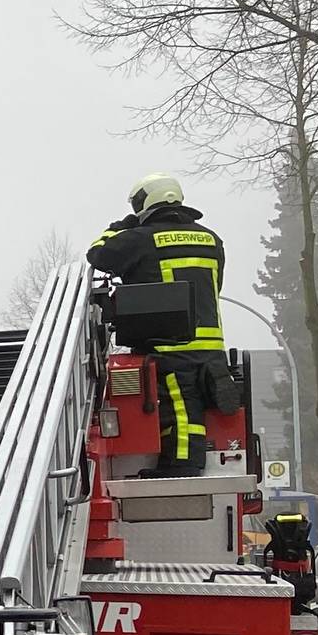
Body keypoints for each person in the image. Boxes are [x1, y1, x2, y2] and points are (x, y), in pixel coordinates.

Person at [89, 171, 231, 476]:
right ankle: (182, 463)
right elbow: (215, 286)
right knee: (194, 404)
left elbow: (98, 255)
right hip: (210, 344)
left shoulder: (141, 239)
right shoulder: (211, 239)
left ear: (144, 202)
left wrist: (119, 227)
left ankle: (183, 467)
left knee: (180, 409)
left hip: (169, 342)